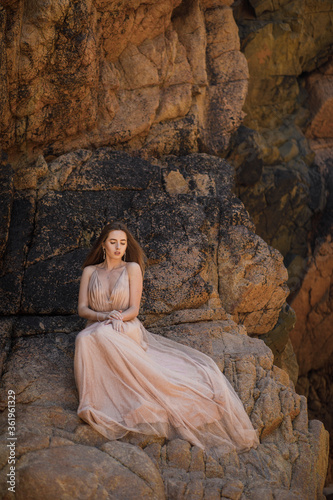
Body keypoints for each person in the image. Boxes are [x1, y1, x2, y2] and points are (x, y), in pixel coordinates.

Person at [74, 221, 259, 459]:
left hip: (126, 324)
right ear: (103, 244)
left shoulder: (132, 268)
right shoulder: (91, 272)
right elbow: (82, 309)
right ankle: (93, 403)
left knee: (99, 335)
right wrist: (103, 316)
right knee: (84, 338)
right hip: (99, 322)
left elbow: (134, 308)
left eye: (122, 243)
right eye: (113, 242)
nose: (118, 247)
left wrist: (118, 316)